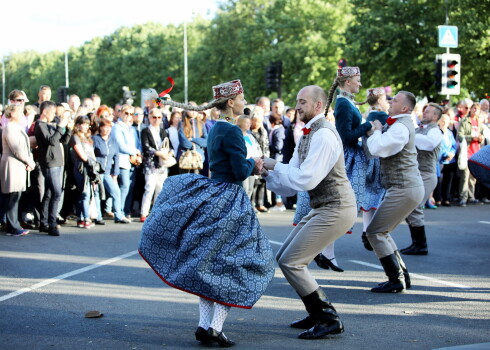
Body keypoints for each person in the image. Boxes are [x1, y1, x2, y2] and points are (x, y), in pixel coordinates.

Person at [139, 79, 274, 347]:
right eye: (241, 97)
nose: (245, 101)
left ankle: (204, 325)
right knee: (234, 262)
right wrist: (255, 163)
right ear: (231, 102)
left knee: (209, 261)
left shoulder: (215, 129)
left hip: (214, 194)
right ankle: (215, 326)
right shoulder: (233, 131)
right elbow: (238, 171)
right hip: (231, 200)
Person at [264, 85, 357, 339]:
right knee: (285, 257)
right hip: (323, 206)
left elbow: (305, 180)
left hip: (337, 208)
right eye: (296, 101)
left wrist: (274, 165)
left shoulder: (324, 135)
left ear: (318, 105)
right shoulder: (306, 134)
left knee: (292, 262)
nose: (297, 106)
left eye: (302, 102)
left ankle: (328, 318)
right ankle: (316, 312)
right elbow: (290, 180)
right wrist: (267, 174)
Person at [365, 91, 424, 293]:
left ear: (405, 108)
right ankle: (401, 276)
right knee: (382, 231)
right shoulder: (398, 124)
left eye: (395, 100)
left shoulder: (400, 127)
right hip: (403, 187)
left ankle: (396, 279)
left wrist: (376, 131)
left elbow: (378, 149)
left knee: (374, 231)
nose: (391, 102)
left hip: (404, 187)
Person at [400, 103, 443, 255]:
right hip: (414, 173)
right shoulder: (418, 129)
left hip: (426, 174)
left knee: (414, 206)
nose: (424, 114)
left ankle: (420, 244)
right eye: (424, 111)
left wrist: (410, 134)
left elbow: (429, 144)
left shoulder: (436, 131)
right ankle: (417, 243)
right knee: (409, 207)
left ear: (435, 117)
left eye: (428, 112)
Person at [34, 101, 72, 236]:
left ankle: (44, 222)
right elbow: (51, 141)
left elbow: (64, 141)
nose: (54, 116)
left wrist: (67, 128)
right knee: (56, 192)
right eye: (52, 113)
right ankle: (52, 223)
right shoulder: (40, 125)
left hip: (58, 162)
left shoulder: (50, 125)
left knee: (50, 193)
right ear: (45, 111)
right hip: (50, 162)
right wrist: (60, 126)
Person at [360, 87, 389, 250]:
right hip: (379, 160)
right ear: (379, 101)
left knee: (369, 197)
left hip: (369, 159)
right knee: (378, 197)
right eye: (385, 99)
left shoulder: (368, 115)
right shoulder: (382, 117)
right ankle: (374, 232)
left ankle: (366, 231)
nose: (387, 102)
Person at [1, 105, 36, 236]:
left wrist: (28, 161)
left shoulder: (17, 128)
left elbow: (25, 148)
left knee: (15, 196)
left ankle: (13, 225)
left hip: (19, 164)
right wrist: (29, 161)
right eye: (19, 112)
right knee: (12, 196)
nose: (22, 114)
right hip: (12, 164)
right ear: (12, 114)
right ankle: (12, 226)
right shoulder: (9, 127)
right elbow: (16, 149)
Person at [92, 119, 130, 224]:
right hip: (97, 172)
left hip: (108, 172)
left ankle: (118, 215)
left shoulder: (113, 140)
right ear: (100, 127)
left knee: (116, 192)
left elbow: (116, 157)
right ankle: (98, 217)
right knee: (96, 194)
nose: (107, 129)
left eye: (109, 127)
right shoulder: (95, 139)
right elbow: (92, 155)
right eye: (105, 127)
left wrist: (115, 173)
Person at [139, 108, 172, 222]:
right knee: (149, 188)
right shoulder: (145, 131)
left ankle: (156, 212)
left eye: (159, 117)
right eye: (154, 117)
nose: (156, 120)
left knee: (160, 189)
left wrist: (168, 153)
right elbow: (146, 147)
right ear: (149, 118)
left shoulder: (164, 131)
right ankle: (144, 212)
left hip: (162, 164)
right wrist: (159, 153)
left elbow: (170, 146)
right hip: (151, 164)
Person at [70, 116, 103, 228]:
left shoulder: (87, 138)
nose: (86, 126)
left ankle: (80, 218)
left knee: (83, 194)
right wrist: (91, 162)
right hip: (81, 168)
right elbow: (82, 155)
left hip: (90, 168)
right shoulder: (75, 137)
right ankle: (86, 219)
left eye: (87, 124)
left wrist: (95, 167)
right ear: (78, 125)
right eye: (83, 124)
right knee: (85, 193)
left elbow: (91, 154)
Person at [457, 102, 484, 206]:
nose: (475, 110)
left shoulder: (479, 122)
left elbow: (481, 135)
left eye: (477, 109)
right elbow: (460, 135)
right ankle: (463, 197)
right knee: (465, 177)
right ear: (471, 109)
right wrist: (472, 138)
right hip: (466, 151)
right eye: (474, 108)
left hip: (476, 152)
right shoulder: (465, 121)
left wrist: (480, 138)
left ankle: (471, 197)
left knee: (473, 178)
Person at [237, 115, 262, 200]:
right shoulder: (237, 135)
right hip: (244, 164)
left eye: (249, 123)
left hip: (252, 164)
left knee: (250, 188)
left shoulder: (249, 135)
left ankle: (247, 207)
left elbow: (256, 148)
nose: (249, 124)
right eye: (246, 122)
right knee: (245, 188)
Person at [436, 114, 457, 207]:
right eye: (443, 121)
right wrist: (445, 154)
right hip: (439, 159)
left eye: (446, 121)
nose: (444, 123)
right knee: (438, 180)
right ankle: (438, 198)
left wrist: (452, 153)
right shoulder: (436, 131)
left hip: (449, 159)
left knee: (448, 180)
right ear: (439, 121)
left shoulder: (449, 132)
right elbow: (437, 146)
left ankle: (446, 198)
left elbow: (453, 145)